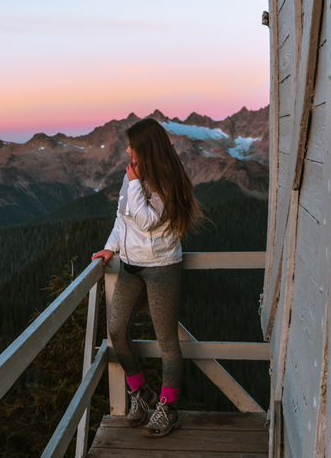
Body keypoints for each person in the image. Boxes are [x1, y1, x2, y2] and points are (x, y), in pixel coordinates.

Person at [91, 117, 201, 438]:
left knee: (167, 340)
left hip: (161, 266)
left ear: (147, 148)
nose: (127, 150)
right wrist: (110, 247)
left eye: (132, 145)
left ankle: (168, 408)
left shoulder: (165, 178)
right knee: (116, 328)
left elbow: (148, 221)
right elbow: (122, 216)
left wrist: (136, 183)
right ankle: (141, 394)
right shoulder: (133, 174)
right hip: (131, 263)